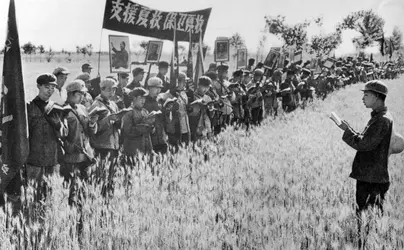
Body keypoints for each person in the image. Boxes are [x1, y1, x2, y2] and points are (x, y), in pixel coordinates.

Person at [336, 80, 393, 247]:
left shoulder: (382, 120)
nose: (363, 98)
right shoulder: (379, 117)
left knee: (367, 221)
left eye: (366, 95)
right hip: (372, 176)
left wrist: (347, 132)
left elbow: (364, 144)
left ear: (376, 97)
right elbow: (366, 139)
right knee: (369, 220)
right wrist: (349, 130)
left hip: (371, 178)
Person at [26, 73, 68, 201]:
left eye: (52, 88)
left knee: (50, 194)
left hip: (52, 158)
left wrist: (58, 124)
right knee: (33, 194)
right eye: (46, 87)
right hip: (34, 159)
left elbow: (65, 133)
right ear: (38, 86)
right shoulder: (28, 106)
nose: (50, 91)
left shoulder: (57, 107)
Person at [62, 79, 98, 207]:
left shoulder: (83, 108)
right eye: (79, 94)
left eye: (83, 94)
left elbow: (89, 131)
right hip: (72, 156)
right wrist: (69, 147)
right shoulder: (62, 109)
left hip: (86, 155)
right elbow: (62, 135)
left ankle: (82, 211)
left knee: (84, 187)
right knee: (72, 187)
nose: (82, 97)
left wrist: (93, 123)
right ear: (70, 94)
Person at [159, 72, 191, 148]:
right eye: (184, 82)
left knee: (185, 144)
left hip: (185, 123)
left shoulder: (184, 92)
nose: (185, 84)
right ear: (177, 82)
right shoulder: (169, 94)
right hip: (175, 125)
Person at [122, 87, 155, 158]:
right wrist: (144, 125)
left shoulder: (145, 111)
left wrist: (151, 126)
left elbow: (150, 132)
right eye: (141, 98)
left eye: (144, 98)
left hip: (146, 148)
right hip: (134, 149)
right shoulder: (128, 112)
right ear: (134, 98)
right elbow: (128, 131)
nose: (143, 100)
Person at [144, 77, 168, 155]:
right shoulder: (143, 101)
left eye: (160, 88)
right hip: (150, 138)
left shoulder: (160, 100)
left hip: (161, 137)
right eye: (156, 88)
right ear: (150, 88)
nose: (159, 90)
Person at [188, 76, 213, 142]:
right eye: (204, 86)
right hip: (196, 122)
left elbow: (211, 113)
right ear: (198, 85)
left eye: (207, 87)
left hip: (206, 122)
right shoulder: (192, 96)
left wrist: (211, 108)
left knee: (208, 141)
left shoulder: (208, 98)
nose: (206, 89)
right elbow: (190, 111)